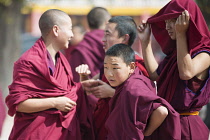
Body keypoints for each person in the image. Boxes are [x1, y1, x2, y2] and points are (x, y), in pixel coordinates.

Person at [5, 9, 94, 140]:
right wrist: (54, 102)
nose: (71, 35)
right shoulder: (29, 61)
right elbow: (20, 104)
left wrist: (84, 80)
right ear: (56, 30)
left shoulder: (62, 61)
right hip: (37, 134)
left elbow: (70, 92)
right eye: (69, 29)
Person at [138, 0, 210, 139]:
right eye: (166, 22)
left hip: (186, 125)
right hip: (166, 123)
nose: (168, 26)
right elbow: (155, 75)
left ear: (189, 22)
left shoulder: (204, 53)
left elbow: (186, 73)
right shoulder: (176, 53)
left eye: (173, 21)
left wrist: (181, 34)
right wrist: (145, 42)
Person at [76, 16, 149, 140]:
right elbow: (87, 90)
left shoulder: (136, 66)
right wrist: (83, 76)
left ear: (124, 38)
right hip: (103, 128)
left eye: (108, 34)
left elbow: (145, 106)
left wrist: (112, 93)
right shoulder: (108, 65)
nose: (103, 40)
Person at [104, 44, 181, 140]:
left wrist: (146, 133)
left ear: (131, 67)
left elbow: (162, 111)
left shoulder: (133, 88)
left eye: (115, 68)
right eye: (106, 67)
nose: (109, 73)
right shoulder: (128, 83)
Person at [67, 7, 111, 82]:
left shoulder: (81, 47)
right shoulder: (113, 43)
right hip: (110, 91)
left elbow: (74, 79)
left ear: (88, 24)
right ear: (107, 22)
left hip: (86, 91)